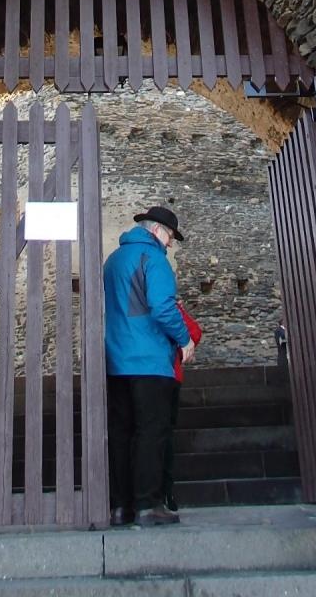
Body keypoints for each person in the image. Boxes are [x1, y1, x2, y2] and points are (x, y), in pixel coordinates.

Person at [103, 205, 195, 527]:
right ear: (156, 230)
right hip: (150, 363)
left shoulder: (113, 260)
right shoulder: (154, 259)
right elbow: (162, 307)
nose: (170, 243)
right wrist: (185, 340)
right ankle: (147, 506)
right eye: (170, 236)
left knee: (121, 433)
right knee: (151, 433)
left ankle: (120, 507)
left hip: (116, 362)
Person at [162, 299, 202, 514]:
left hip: (141, 373)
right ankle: (165, 492)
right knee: (163, 435)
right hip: (167, 375)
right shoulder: (167, 304)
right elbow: (194, 332)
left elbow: (194, 332)